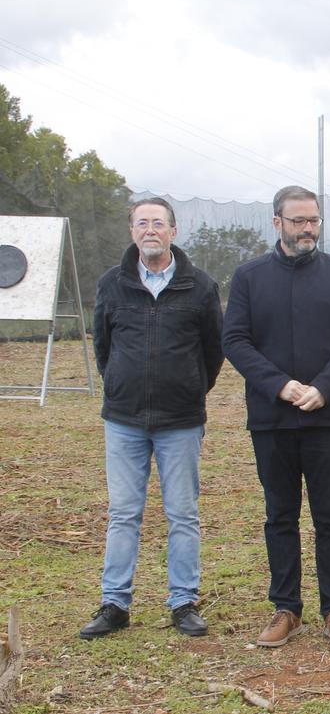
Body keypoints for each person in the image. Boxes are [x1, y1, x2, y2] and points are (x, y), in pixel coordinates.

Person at [223, 185, 330, 650]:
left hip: (326, 419)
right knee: (279, 515)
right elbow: (236, 341)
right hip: (271, 418)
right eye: (298, 221)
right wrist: (280, 385)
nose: (308, 229)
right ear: (277, 224)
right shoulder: (248, 277)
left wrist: (323, 389)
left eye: (314, 221)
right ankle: (286, 607)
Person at [82, 197, 223, 639]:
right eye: (141, 223)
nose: (150, 230)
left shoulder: (200, 286)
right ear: (132, 232)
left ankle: (183, 602)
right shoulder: (111, 284)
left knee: (182, 513)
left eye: (158, 223)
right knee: (124, 512)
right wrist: (120, 385)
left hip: (180, 420)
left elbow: (213, 351)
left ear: (173, 232)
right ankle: (114, 604)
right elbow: (102, 345)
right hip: (123, 420)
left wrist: (187, 388)